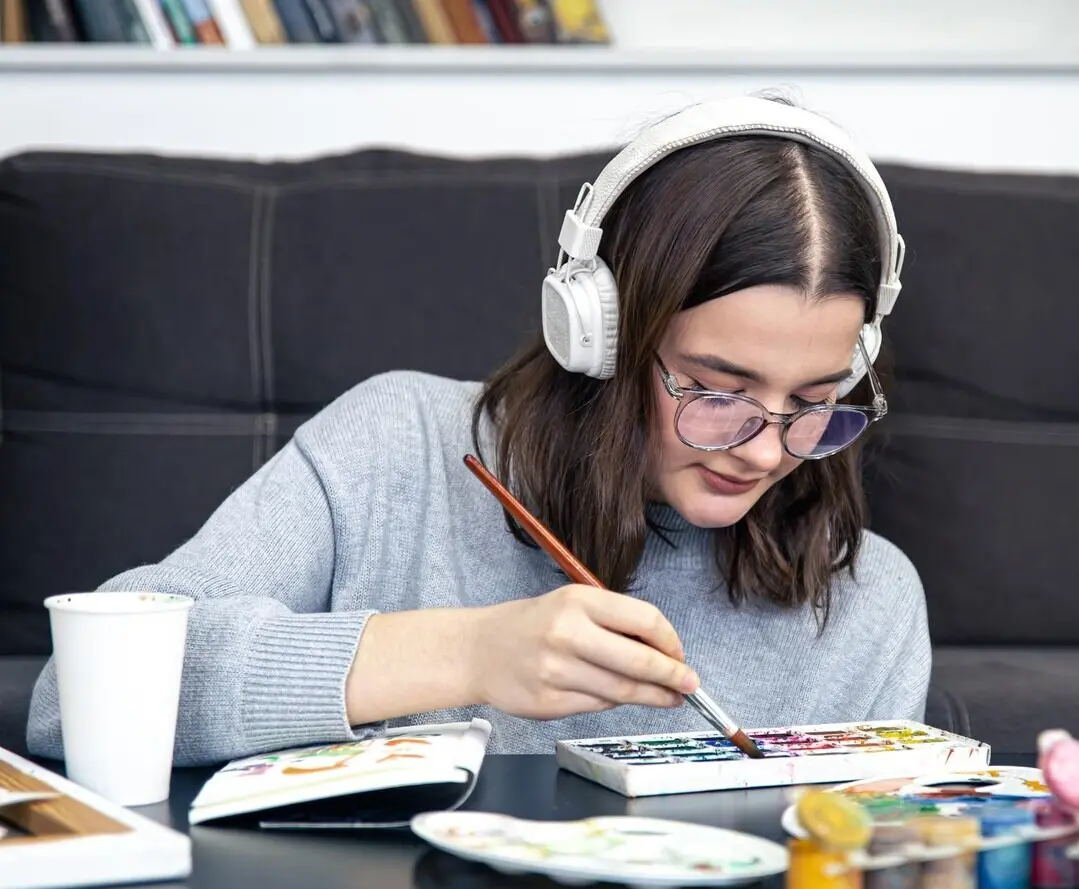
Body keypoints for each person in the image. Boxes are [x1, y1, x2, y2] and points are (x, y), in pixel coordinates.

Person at [26, 94, 931, 765]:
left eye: (815, 400)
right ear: (602, 334)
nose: (768, 449)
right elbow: (76, 700)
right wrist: (462, 652)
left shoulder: (868, 604)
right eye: (716, 390)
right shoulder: (398, 449)